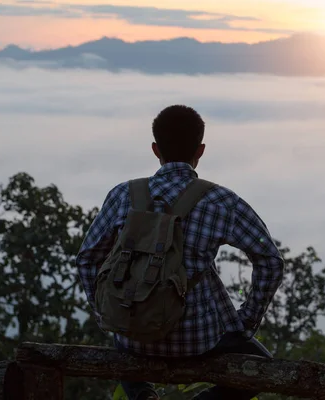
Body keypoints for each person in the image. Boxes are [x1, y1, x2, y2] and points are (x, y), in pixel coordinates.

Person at [76, 105, 285, 400]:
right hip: (201, 341)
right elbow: (271, 262)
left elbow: (87, 259)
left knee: (121, 338)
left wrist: (104, 314)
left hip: (135, 336)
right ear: (200, 150)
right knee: (264, 369)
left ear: (154, 149)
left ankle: (143, 396)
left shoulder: (123, 195)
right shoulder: (221, 201)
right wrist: (246, 322)